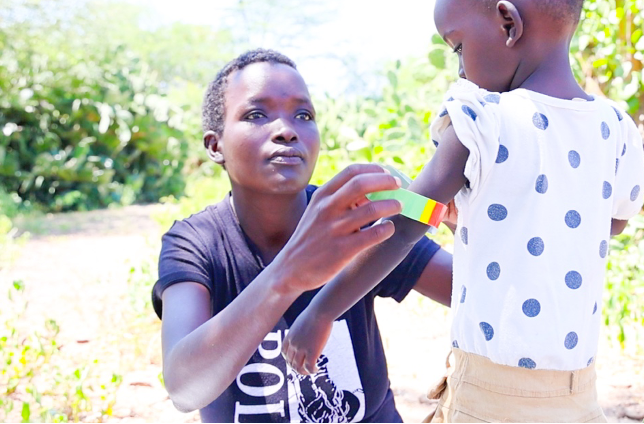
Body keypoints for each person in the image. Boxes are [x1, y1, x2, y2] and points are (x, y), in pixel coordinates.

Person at [282, 0, 644, 422]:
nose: (459, 70)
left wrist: (323, 309)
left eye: (456, 46)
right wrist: (483, 214)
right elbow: (609, 222)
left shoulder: (481, 115)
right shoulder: (616, 127)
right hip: (577, 391)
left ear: (507, 24)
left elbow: (417, 216)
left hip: (489, 393)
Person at [152, 49, 454, 423]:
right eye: (256, 114)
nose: (286, 129)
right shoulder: (196, 243)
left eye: (304, 115)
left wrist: (458, 220)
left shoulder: (351, 217)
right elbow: (185, 388)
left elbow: (475, 293)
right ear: (216, 146)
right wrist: (287, 275)